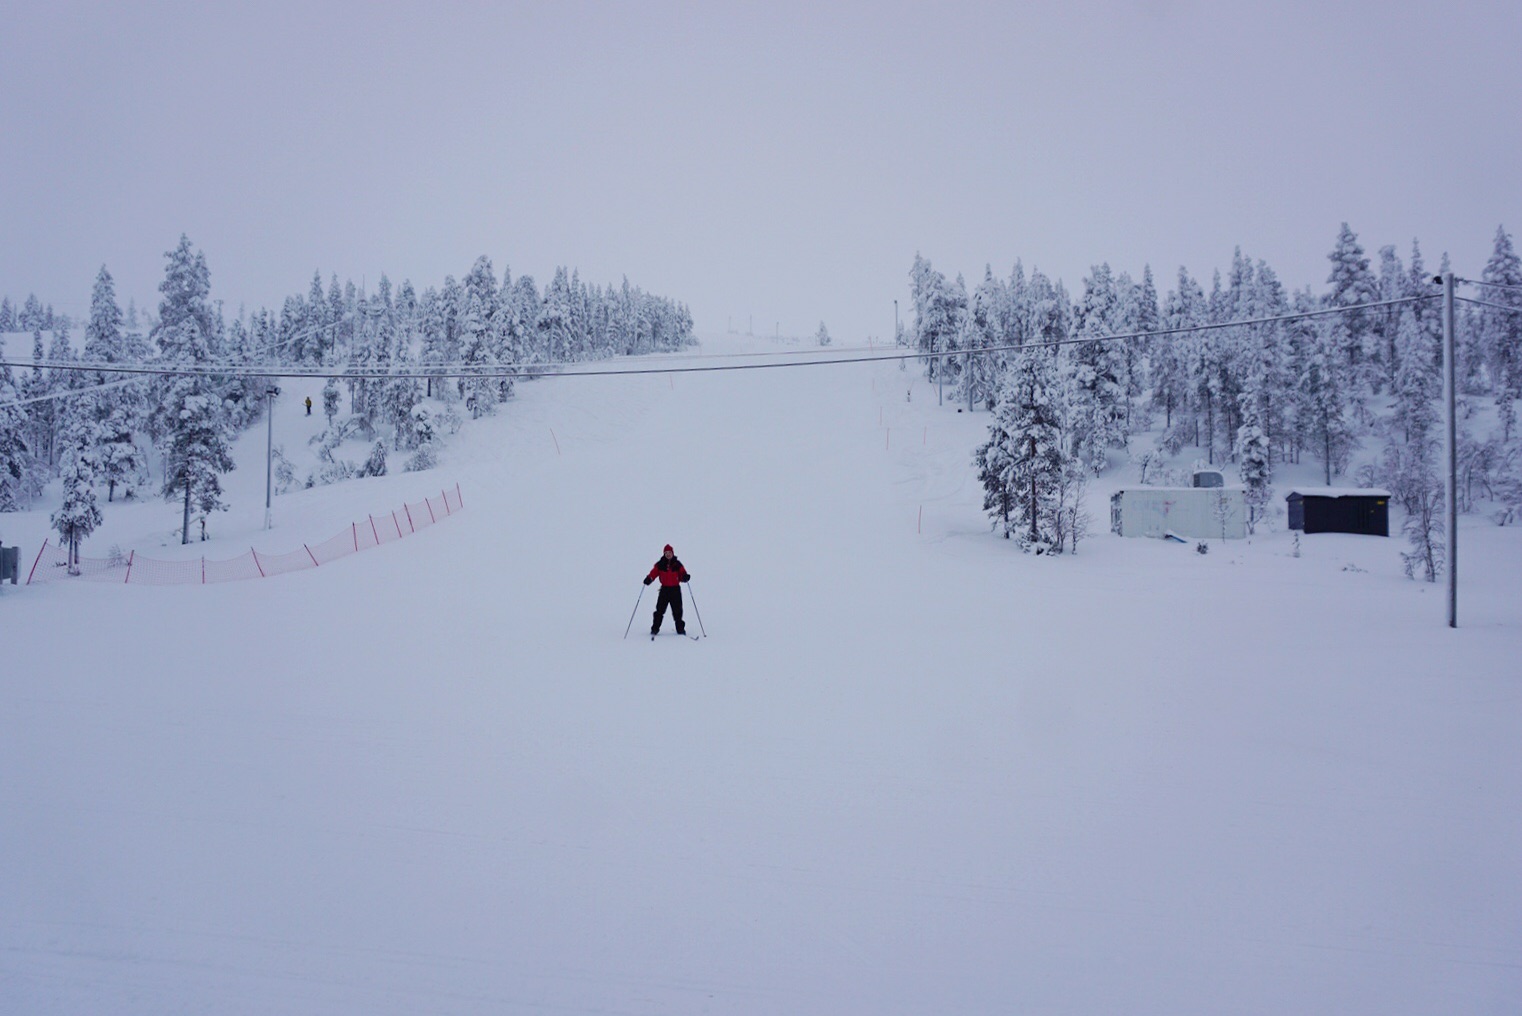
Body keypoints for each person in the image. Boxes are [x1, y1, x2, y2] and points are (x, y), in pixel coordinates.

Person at [643, 544, 690, 635]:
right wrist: (649, 579)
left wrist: (685, 577)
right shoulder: (660, 564)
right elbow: (654, 573)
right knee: (659, 610)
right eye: (666, 553)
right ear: (664, 554)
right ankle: (655, 629)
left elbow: (682, 574)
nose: (668, 554)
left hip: (675, 590)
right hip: (664, 590)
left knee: (677, 610)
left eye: (670, 553)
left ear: (672, 553)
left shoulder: (677, 564)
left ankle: (680, 629)